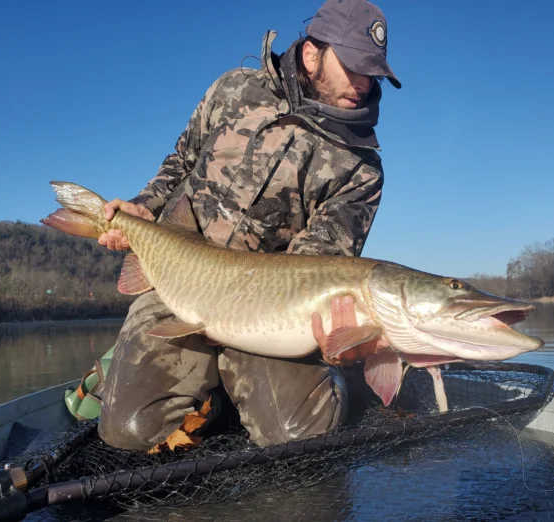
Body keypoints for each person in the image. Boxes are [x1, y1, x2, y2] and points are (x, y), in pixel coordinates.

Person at [96, 0, 400, 451]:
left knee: (298, 438)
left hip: (268, 310)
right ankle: (214, 396)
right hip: (180, 279)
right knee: (129, 433)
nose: (363, 83)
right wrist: (145, 207)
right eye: (353, 65)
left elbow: (312, 265)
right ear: (313, 54)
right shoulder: (234, 89)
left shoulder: (362, 170)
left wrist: (340, 336)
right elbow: (180, 162)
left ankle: (269, 376)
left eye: (372, 71)